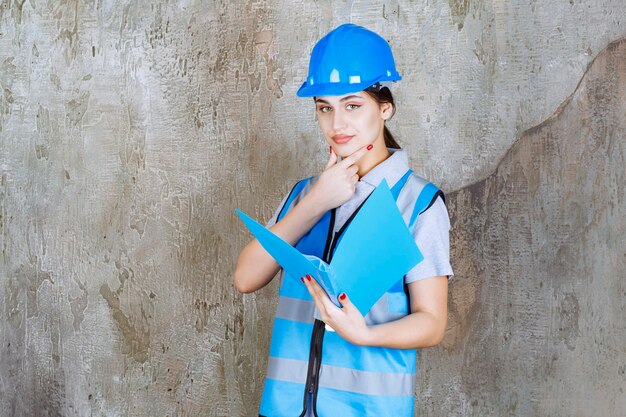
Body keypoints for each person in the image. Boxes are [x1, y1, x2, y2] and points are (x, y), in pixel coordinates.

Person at [234, 23, 453, 417]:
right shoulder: (304, 194)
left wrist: (365, 334)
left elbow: (432, 322)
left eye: (352, 105)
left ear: (384, 107)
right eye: (324, 108)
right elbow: (245, 278)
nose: (337, 125)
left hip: (365, 409)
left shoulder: (418, 204)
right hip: (283, 409)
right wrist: (316, 202)